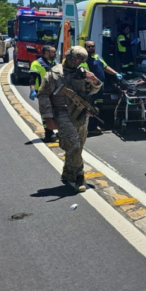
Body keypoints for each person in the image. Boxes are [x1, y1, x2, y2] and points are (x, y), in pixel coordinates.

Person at [38, 46, 102, 193]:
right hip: (62, 113)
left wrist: (94, 81)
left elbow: (93, 89)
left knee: (78, 145)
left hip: (81, 114)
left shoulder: (82, 73)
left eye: (80, 60)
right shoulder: (54, 74)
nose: (77, 62)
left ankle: (67, 173)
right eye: (75, 58)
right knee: (74, 146)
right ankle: (77, 177)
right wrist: (48, 118)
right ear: (68, 56)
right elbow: (43, 95)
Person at [81, 40, 122, 135]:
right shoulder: (84, 59)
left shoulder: (98, 56)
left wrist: (116, 73)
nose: (91, 48)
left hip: (100, 87)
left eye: (92, 46)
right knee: (91, 106)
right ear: (85, 48)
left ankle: (94, 125)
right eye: (89, 46)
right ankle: (91, 128)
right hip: (91, 87)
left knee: (98, 106)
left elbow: (105, 67)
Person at [29, 45, 57, 143]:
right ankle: (48, 134)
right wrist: (32, 90)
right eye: (53, 52)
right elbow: (32, 78)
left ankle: (55, 130)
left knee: (56, 112)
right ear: (46, 53)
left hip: (55, 91)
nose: (55, 53)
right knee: (46, 113)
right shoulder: (37, 64)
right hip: (43, 92)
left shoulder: (54, 63)